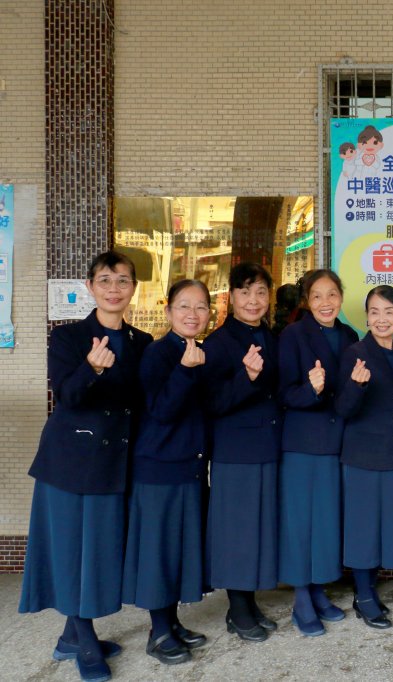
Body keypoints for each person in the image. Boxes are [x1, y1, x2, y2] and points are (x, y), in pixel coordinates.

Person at [20, 251, 153, 682]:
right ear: (90, 286)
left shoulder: (141, 342)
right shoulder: (69, 338)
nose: (114, 288)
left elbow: (145, 404)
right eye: (105, 280)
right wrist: (91, 368)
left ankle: (69, 637)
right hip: (70, 465)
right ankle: (86, 641)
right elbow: (67, 397)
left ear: (134, 287)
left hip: (115, 464)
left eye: (123, 280)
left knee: (97, 551)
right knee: (73, 551)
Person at [122, 279, 212, 665]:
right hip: (158, 470)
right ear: (168, 312)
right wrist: (186, 371)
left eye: (200, 307)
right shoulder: (159, 354)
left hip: (189, 467)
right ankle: (158, 632)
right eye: (184, 306)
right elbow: (161, 410)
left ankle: (171, 623)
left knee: (177, 549)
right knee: (158, 551)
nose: (193, 314)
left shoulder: (200, 353)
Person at [202, 262, 281, 642]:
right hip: (235, 452)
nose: (254, 300)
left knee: (257, 529)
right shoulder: (218, 343)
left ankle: (249, 602)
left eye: (261, 292)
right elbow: (212, 403)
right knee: (237, 531)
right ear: (231, 296)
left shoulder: (269, 335)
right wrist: (246, 379)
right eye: (246, 292)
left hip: (265, 447)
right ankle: (236, 609)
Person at [277, 270, 358, 636]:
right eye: (317, 297)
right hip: (303, 444)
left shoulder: (350, 336)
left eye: (332, 295)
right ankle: (302, 600)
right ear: (307, 302)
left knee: (326, 522)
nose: (326, 303)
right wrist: (310, 389)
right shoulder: (293, 336)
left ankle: (319, 589)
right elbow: (284, 394)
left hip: (338, 442)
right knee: (301, 524)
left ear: (341, 296)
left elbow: (351, 396)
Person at [336, 285, 393, 630]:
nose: (382, 319)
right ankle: (364, 595)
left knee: (385, 527)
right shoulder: (355, 352)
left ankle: (369, 588)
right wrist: (356, 385)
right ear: (366, 317)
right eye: (375, 312)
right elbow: (343, 409)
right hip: (363, 456)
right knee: (363, 529)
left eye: (389, 312)